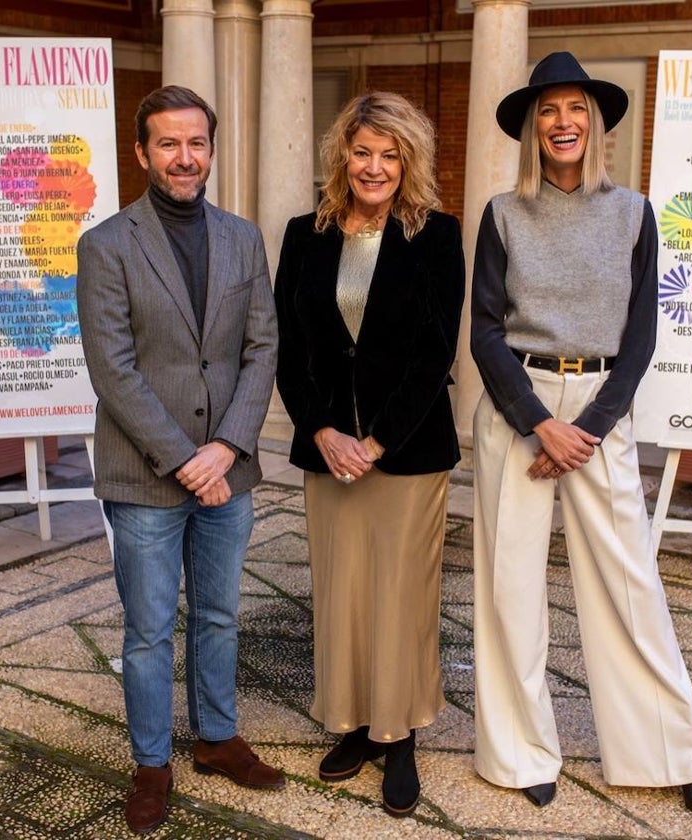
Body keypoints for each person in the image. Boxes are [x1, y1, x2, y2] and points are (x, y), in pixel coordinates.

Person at [468, 52, 692, 819]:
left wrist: (585, 428)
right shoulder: (503, 214)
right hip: (519, 406)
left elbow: (641, 334)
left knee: (629, 587)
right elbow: (484, 332)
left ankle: (668, 751)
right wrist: (538, 422)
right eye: (548, 110)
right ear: (531, 126)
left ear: (596, 122)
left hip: (599, 407)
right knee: (508, 586)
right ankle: (521, 754)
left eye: (576, 108)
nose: (562, 122)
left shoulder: (633, 213)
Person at [76, 85, 283, 835]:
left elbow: (263, 347)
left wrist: (225, 446)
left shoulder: (242, 238)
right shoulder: (105, 245)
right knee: (148, 628)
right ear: (141, 153)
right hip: (143, 477)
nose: (184, 157)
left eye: (196, 143)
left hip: (229, 469)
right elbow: (114, 369)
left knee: (222, 615)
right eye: (168, 143)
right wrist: (184, 459)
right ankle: (152, 763)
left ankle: (218, 738)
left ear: (211, 149)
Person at [274, 91, 464, 818]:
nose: (374, 166)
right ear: (341, 156)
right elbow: (293, 349)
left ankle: (401, 735)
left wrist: (377, 440)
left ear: (408, 160)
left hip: (407, 453)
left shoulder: (437, 237)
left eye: (391, 154)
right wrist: (323, 431)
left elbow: (434, 353)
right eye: (362, 152)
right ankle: (353, 725)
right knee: (342, 589)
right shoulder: (305, 234)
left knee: (402, 597)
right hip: (329, 452)